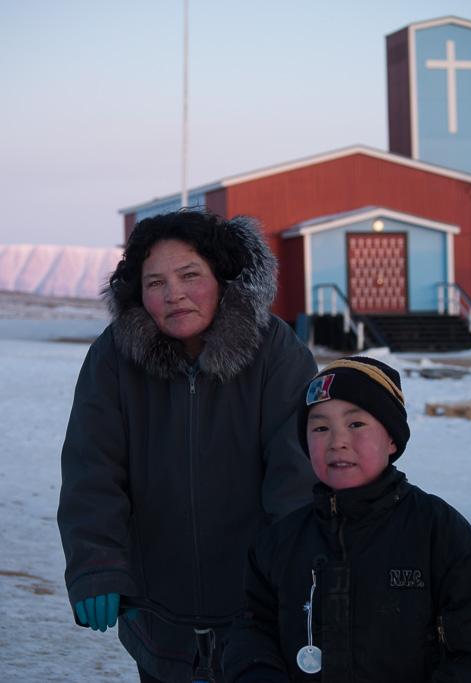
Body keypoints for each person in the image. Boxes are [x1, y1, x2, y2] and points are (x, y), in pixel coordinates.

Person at [57, 209, 318, 682]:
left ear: (223, 277)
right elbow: (92, 470)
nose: (172, 294)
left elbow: (296, 479)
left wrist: (291, 583)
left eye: (189, 275)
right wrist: (97, 565)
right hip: (155, 612)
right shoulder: (114, 357)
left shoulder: (276, 353)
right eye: (154, 282)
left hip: (256, 615)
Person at [223, 357, 471, 682]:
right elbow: (251, 629)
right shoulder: (279, 542)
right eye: (320, 428)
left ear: (391, 439)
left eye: (356, 424)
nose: (338, 441)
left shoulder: (440, 533)